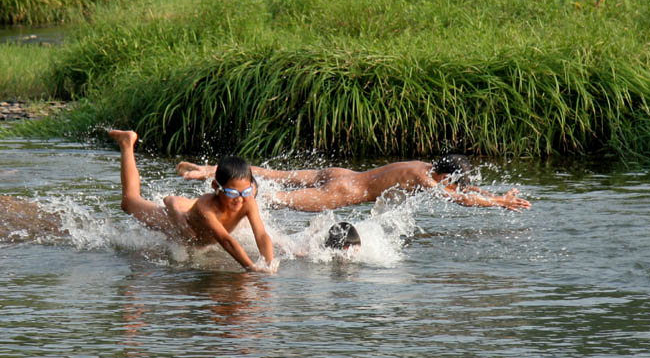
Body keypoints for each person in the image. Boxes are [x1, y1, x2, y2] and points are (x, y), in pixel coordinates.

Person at [109, 130, 276, 273]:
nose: (239, 199)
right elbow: (226, 241)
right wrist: (251, 269)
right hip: (173, 226)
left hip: (195, 233)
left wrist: (268, 265)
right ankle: (126, 143)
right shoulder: (206, 208)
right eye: (232, 193)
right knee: (129, 201)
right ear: (215, 187)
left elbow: (261, 235)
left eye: (245, 191)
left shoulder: (248, 201)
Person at [176, 154, 531, 212]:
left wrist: (495, 194)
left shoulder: (425, 165)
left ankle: (209, 169)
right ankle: (195, 204)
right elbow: (461, 199)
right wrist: (500, 203)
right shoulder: (426, 179)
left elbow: (462, 189)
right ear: (443, 175)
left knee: (275, 177)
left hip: (341, 174)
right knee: (273, 199)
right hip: (343, 191)